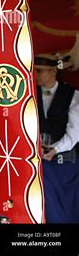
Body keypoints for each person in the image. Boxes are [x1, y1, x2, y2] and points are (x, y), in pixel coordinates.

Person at [35, 53, 79, 223]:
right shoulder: (31, 94)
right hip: (43, 164)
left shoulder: (73, 95)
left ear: (54, 71)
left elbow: (75, 132)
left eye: (40, 71)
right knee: (49, 210)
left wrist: (55, 149)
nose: (36, 75)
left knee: (70, 208)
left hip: (66, 164)